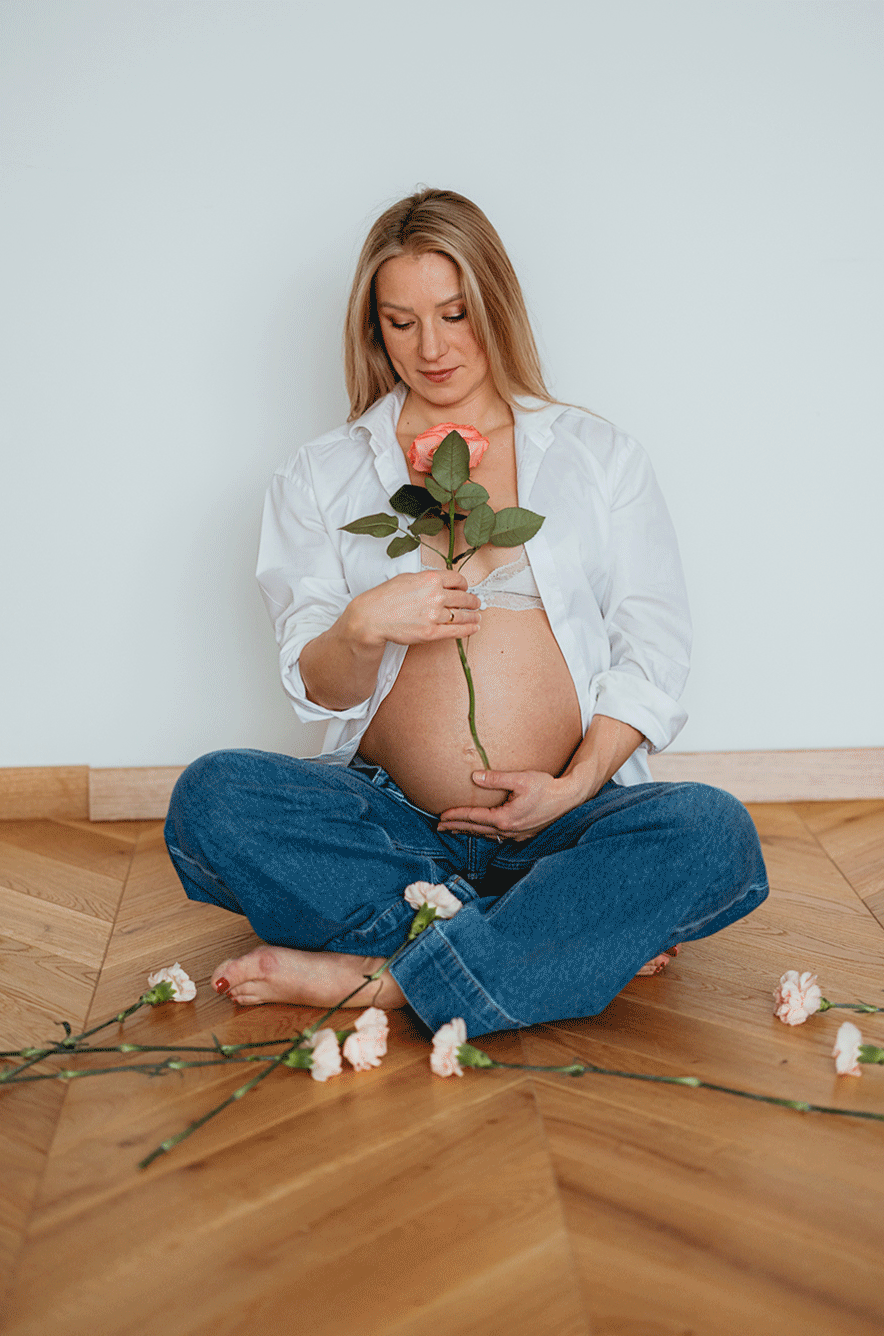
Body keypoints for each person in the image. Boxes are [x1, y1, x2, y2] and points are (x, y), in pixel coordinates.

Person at [164, 188, 768, 1037]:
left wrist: (572, 788)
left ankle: (384, 983)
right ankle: (548, 939)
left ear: (495, 303)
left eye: (455, 313)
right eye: (401, 321)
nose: (434, 347)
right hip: (394, 826)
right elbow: (322, 689)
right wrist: (362, 625)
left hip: (569, 821)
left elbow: (654, 651)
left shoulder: (598, 457)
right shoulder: (322, 476)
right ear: (373, 329)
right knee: (213, 798)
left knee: (712, 832)